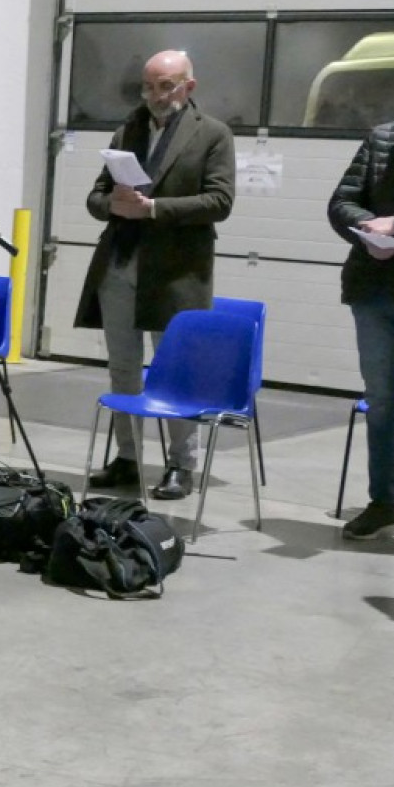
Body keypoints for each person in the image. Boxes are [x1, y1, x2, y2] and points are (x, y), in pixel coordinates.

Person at [74, 49, 235, 499]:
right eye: (148, 86)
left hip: (176, 273)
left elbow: (220, 202)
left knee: (175, 372)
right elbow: (96, 196)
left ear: (189, 85)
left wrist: (154, 209)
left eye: (165, 86)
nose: (155, 96)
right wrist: (113, 205)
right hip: (122, 266)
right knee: (123, 369)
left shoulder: (214, 135)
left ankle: (181, 464)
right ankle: (127, 458)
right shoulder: (128, 129)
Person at [330, 54, 394, 549]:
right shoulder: (382, 138)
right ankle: (382, 503)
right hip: (374, 292)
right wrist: (365, 232)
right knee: (381, 403)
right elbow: (341, 202)